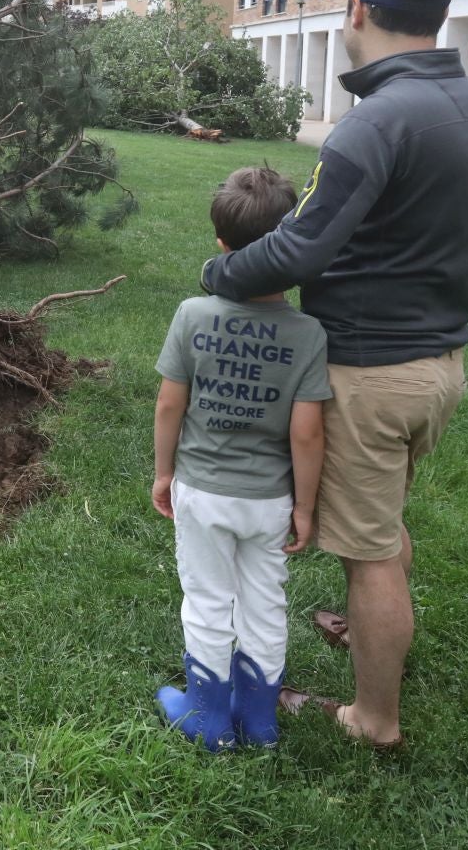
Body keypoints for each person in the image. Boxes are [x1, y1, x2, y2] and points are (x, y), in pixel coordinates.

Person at [201, 0, 468, 748]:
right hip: (441, 368)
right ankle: (375, 633)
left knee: (368, 554)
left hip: (368, 377)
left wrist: (220, 273)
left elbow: (301, 249)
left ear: (357, 11)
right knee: (384, 522)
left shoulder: (372, 123)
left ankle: (373, 717)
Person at [152, 166, 330, 751]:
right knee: (265, 601)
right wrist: (305, 506)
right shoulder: (307, 333)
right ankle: (259, 721)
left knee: (207, 599)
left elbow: (169, 406)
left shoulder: (193, 316)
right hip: (270, 499)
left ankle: (206, 717)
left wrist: (163, 472)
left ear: (221, 245)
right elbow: (307, 435)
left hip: (201, 491)